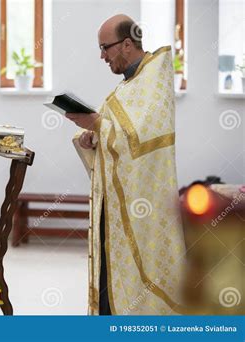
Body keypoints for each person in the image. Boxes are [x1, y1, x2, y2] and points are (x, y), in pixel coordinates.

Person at [67, 14, 187, 315]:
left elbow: (141, 140)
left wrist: (98, 125)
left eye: (105, 48)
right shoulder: (128, 86)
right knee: (111, 275)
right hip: (118, 207)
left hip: (143, 208)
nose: (102, 56)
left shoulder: (154, 80)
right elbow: (117, 132)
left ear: (127, 44)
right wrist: (92, 135)